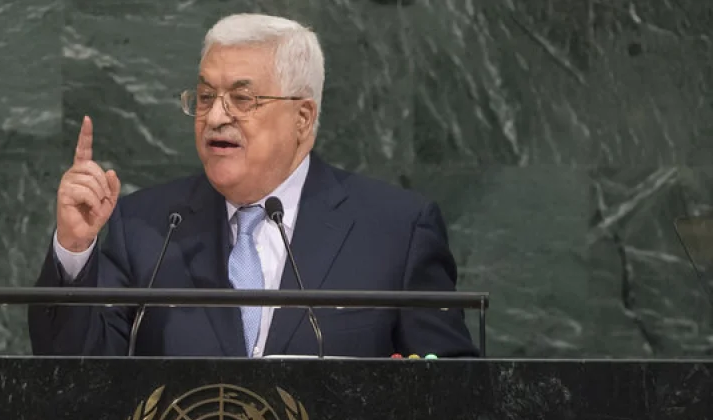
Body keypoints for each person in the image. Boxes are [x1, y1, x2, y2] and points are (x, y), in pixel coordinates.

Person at [28, 13, 478, 358]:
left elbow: (453, 390)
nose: (216, 116)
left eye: (242, 99)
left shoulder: (395, 231)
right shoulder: (146, 226)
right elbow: (75, 375)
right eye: (205, 97)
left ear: (302, 118)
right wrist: (74, 249)